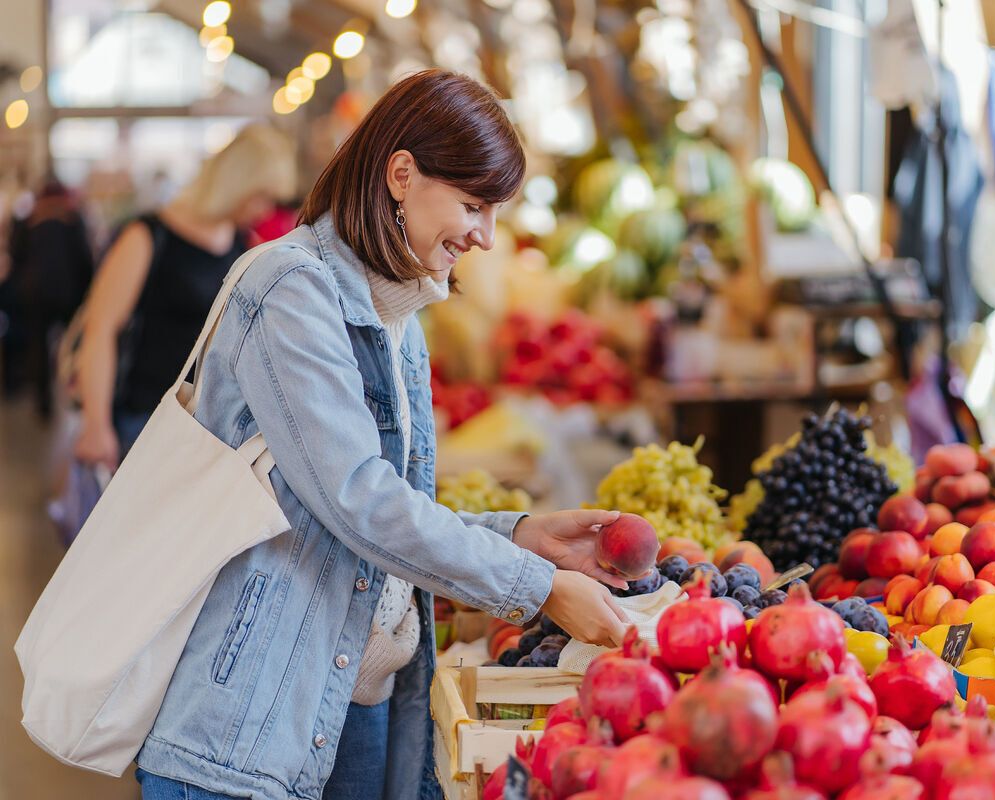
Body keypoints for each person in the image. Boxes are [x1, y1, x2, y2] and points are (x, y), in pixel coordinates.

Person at [133, 69, 630, 800]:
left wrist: (520, 536)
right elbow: (355, 499)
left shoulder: (396, 315)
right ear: (401, 174)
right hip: (249, 725)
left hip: (352, 701)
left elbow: (367, 515)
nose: (486, 236)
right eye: (472, 204)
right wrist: (533, 587)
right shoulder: (291, 290)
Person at [73, 124, 297, 469]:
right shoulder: (149, 234)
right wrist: (96, 425)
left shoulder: (239, 242)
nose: (266, 209)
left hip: (206, 427)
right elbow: (100, 329)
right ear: (238, 183)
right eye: (261, 196)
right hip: (144, 418)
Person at [6, 180, 94, 417]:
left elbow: (16, 256)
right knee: (76, 344)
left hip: (35, 293)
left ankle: (43, 403)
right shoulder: (73, 219)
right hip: (69, 293)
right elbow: (84, 259)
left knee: (38, 345)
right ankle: (77, 393)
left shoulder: (28, 220)